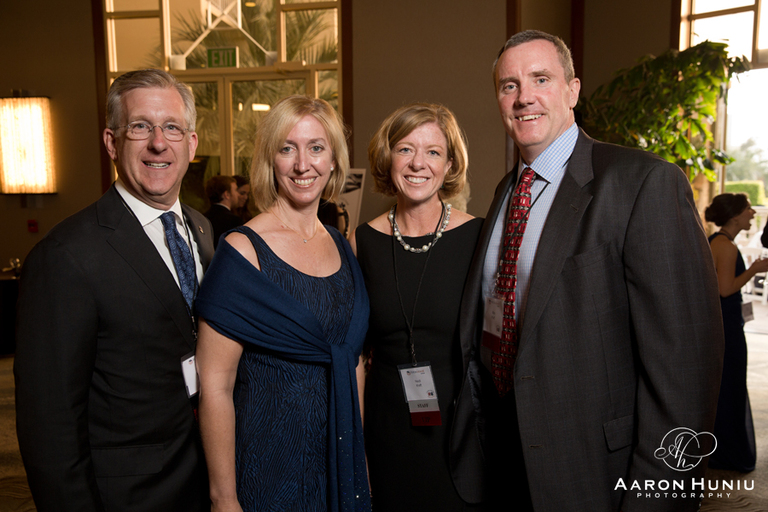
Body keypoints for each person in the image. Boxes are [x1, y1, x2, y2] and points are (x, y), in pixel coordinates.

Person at [453, 30, 724, 511]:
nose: (524, 97)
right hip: (506, 462)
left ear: (573, 90)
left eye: (541, 79)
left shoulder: (642, 183)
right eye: (509, 85)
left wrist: (658, 495)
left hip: (596, 472)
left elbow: (685, 370)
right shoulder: (505, 192)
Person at [14, 69, 212, 511]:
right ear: (111, 142)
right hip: (126, 497)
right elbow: (49, 421)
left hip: (204, 481)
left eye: (172, 128)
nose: (158, 143)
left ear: (191, 143)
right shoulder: (66, 255)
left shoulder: (201, 229)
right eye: (140, 126)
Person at [195, 95, 370, 512]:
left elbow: (354, 363)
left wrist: (357, 461)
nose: (302, 164)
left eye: (316, 148)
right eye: (287, 148)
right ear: (270, 160)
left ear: (333, 160)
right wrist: (224, 498)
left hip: (336, 465)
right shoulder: (242, 252)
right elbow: (215, 385)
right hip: (267, 470)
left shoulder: (343, 247)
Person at [349, 103, 483, 511]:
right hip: (386, 430)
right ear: (387, 158)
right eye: (405, 149)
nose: (417, 163)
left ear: (449, 164)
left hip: (461, 434)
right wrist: (358, 448)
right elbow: (354, 357)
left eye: (433, 152)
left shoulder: (478, 237)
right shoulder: (361, 242)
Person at [705, 193, 766, 472]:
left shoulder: (718, 241)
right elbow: (725, 289)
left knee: (726, 386)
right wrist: (754, 269)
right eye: (748, 209)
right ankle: (728, 453)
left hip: (724, 324)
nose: (753, 213)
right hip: (727, 327)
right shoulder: (726, 246)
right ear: (735, 216)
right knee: (731, 386)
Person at [204, 175, 244, 248]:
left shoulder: (202, 218)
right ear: (227, 194)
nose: (238, 194)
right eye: (235, 190)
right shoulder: (234, 221)